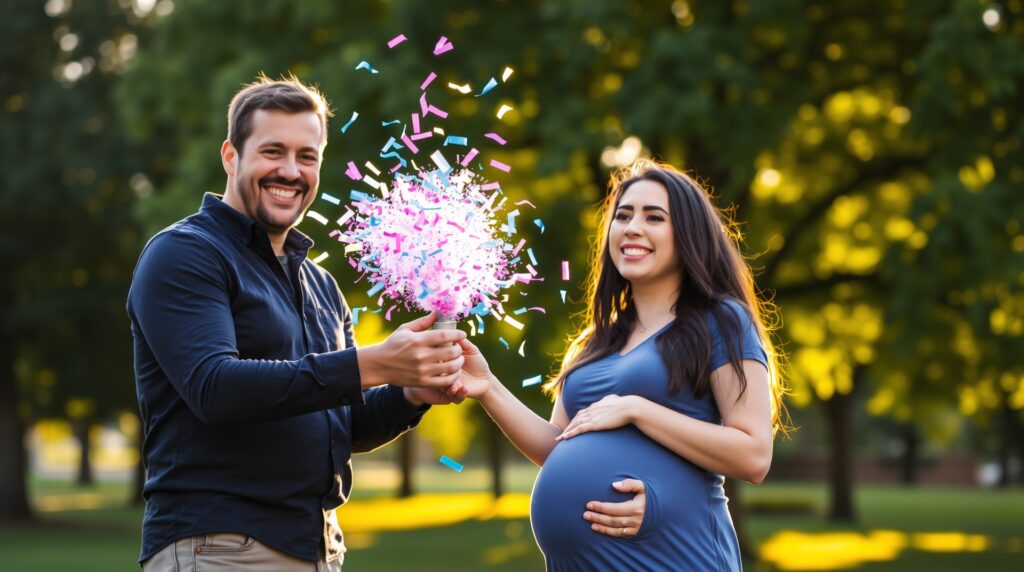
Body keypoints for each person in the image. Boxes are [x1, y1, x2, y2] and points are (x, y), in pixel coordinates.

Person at [126, 74, 470, 571]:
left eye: (306, 157)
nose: (290, 171)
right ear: (230, 156)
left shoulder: (320, 284)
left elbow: (338, 429)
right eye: (273, 151)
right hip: (220, 548)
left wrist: (409, 391)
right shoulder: (185, 254)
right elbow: (214, 389)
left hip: (318, 549)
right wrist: (372, 363)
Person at [456, 159, 786, 570]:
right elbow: (557, 444)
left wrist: (637, 409)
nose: (632, 227)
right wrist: (487, 387)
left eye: (654, 217)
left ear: (688, 234)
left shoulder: (721, 321)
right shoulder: (595, 340)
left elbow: (754, 455)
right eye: (623, 215)